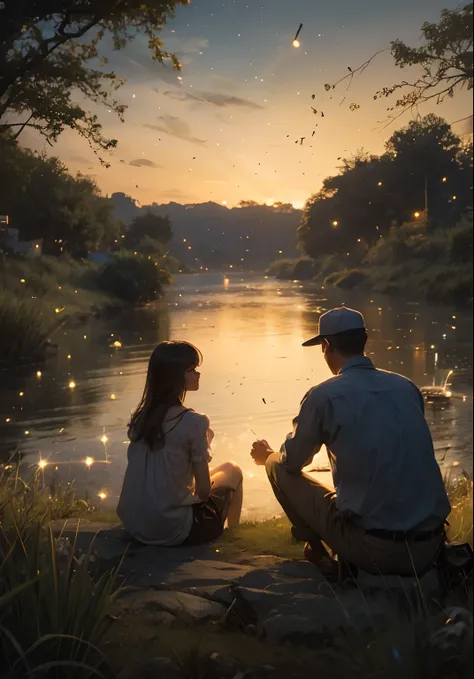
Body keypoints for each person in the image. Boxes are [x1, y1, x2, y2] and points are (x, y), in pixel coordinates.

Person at [251, 307, 451, 581]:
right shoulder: (406, 387)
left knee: (276, 464)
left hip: (374, 550)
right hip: (430, 547)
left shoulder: (324, 396)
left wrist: (269, 454)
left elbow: (293, 461)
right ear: (364, 339)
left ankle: (321, 554)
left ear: (326, 345)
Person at [118, 341, 243, 547]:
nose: (198, 374)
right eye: (192, 370)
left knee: (217, 472)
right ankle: (234, 534)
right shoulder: (194, 422)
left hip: (135, 524)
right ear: (174, 378)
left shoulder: (141, 418)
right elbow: (203, 492)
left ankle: (231, 532)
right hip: (172, 528)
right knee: (234, 471)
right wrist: (203, 443)